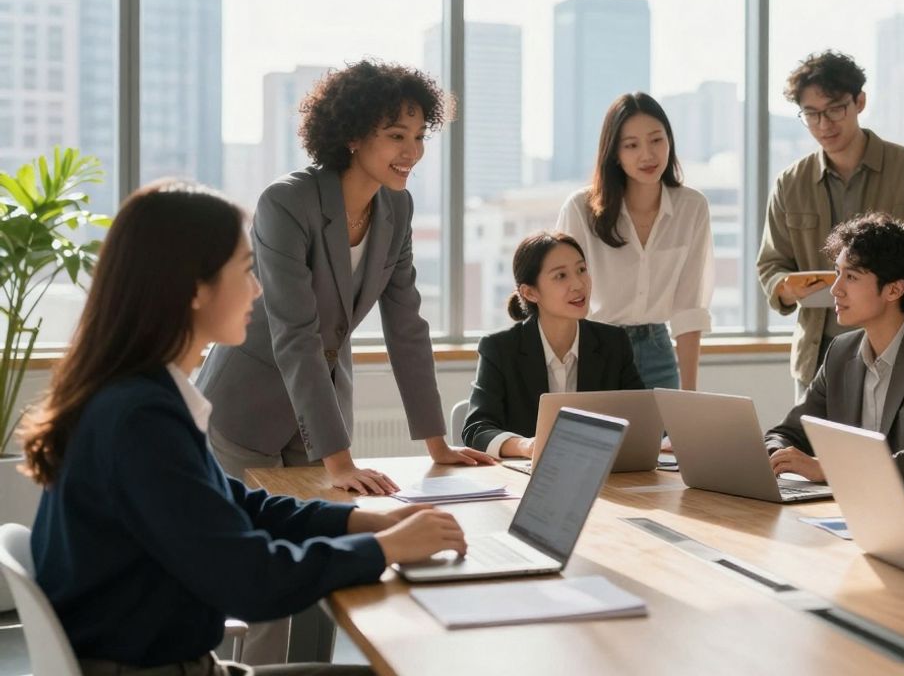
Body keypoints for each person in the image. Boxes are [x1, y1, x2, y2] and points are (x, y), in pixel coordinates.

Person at [21, 181, 468, 675]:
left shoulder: (136, 397)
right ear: (195, 288)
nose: (258, 287)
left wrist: (364, 523)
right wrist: (386, 549)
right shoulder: (140, 420)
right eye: (244, 269)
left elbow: (235, 503)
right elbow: (253, 579)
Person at [196, 60, 494, 498]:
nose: (412, 152)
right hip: (246, 408)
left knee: (318, 538)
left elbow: (407, 326)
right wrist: (341, 462)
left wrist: (438, 444)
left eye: (418, 137)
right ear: (353, 136)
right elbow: (296, 333)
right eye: (396, 136)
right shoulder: (286, 202)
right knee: (256, 544)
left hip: (321, 415)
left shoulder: (398, 208)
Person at [757, 50, 904, 399]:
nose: (824, 124)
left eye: (835, 109)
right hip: (817, 354)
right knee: (810, 449)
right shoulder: (791, 182)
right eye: (812, 114)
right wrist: (788, 288)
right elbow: (771, 265)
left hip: (896, 351)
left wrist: (898, 323)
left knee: (887, 453)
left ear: (859, 101)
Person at [765, 213, 904, 505]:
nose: (835, 289)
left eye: (851, 277)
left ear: (894, 289)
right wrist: (775, 457)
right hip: (856, 509)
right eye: (837, 272)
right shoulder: (840, 352)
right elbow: (788, 433)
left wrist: (825, 468)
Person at [556, 92, 713, 391]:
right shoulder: (580, 209)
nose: (647, 155)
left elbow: (689, 307)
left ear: (670, 140)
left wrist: (689, 396)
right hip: (596, 348)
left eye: (656, 140)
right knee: (599, 439)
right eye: (631, 145)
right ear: (614, 152)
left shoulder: (692, 207)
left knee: (669, 437)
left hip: (658, 349)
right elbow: (560, 300)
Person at [462, 232, 645, 458]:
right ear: (530, 292)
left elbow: (642, 420)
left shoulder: (613, 343)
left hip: (601, 476)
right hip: (527, 480)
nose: (578, 284)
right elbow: (476, 430)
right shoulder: (500, 348)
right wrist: (525, 446)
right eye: (561, 276)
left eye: (581, 270)